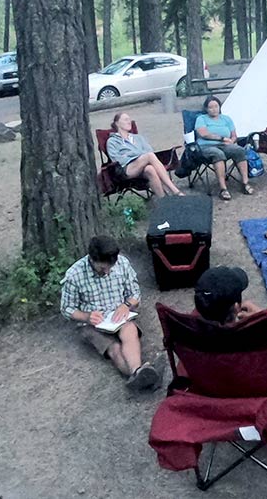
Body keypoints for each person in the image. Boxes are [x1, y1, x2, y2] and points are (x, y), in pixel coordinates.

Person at [60, 235, 159, 390]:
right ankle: (141, 373)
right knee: (112, 347)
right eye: (102, 268)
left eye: (110, 268)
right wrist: (87, 316)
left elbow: (135, 294)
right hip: (92, 324)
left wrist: (126, 305)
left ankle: (137, 372)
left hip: (118, 316)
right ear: (92, 259)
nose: (107, 272)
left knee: (130, 331)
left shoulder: (122, 264)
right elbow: (67, 309)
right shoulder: (74, 275)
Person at [106, 112, 185, 197]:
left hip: (142, 166)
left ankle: (164, 200)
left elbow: (149, 150)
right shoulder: (112, 141)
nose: (129, 122)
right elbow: (117, 160)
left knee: (150, 169)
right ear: (117, 123)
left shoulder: (138, 138)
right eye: (126, 119)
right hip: (126, 170)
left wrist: (130, 154)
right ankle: (175, 190)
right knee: (149, 156)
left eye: (129, 119)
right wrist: (138, 155)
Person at [194, 95, 254, 201]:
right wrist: (222, 138)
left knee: (239, 151)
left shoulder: (226, 119)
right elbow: (203, 134)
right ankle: (223, 188)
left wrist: (232, 141)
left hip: (225, 145)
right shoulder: (201, 119)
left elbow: (234, 135)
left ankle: (245, 183)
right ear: (206, 109)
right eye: (211, 107)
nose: (214, 109)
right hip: (206, 146)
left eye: (216, 106)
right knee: (218, 154)